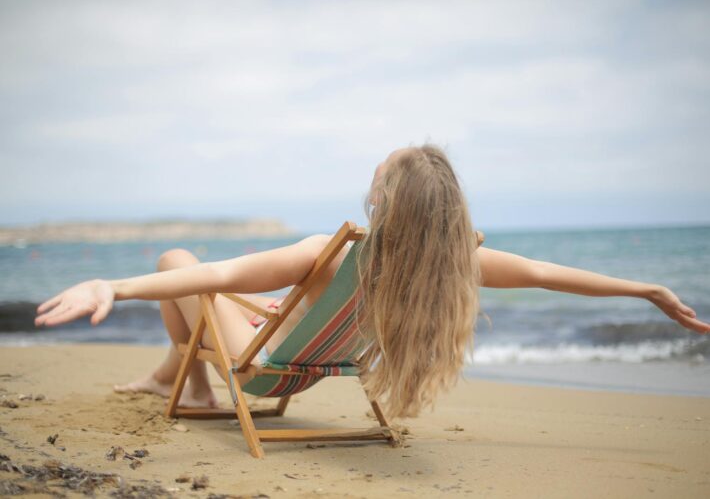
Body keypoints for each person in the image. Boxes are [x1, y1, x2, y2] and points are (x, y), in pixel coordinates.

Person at [34, 145, 710, 418]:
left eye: (378, 178)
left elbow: (219, 273)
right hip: (318, 366)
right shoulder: (450, 265)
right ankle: (169, 375)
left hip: (262, 370)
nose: (371, 183)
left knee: (178, 262)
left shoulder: (328, 252)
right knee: (222, 290)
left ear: (385, 202)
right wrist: (644, 289)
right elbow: (544, 274)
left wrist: (112, 287)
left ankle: (196, 388)